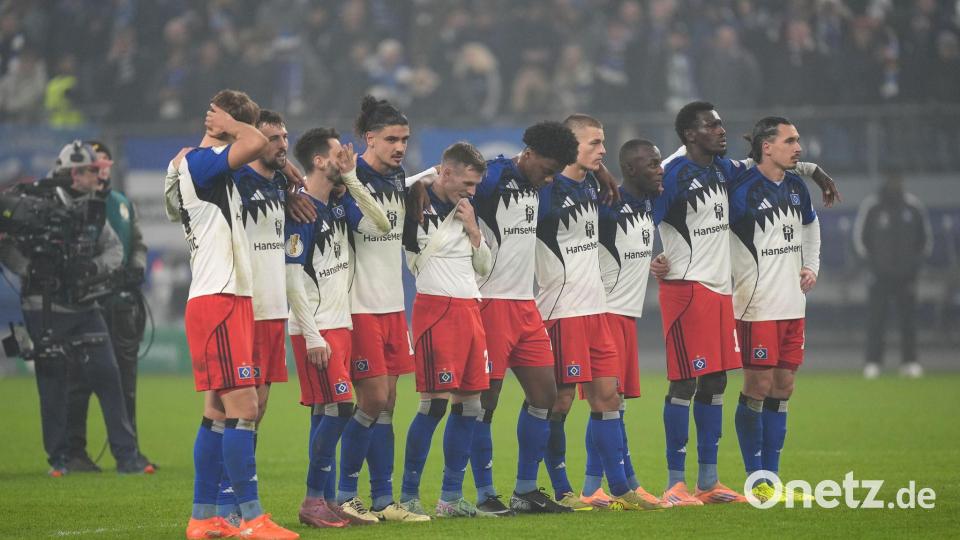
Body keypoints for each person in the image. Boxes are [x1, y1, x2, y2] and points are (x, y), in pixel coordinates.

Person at [656, 101, 837, 506]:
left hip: (723, 291)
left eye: (721, 124)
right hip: (695, 290)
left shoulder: (726, 170)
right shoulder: (676, 173)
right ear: (690, 134)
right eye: (712, 125)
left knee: (717, 382)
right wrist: (655, 258)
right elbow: (643, 204)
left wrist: (815, 171)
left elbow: (769, 168)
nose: (722, 130)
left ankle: (710, 482)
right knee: (686, 382)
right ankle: (675, 485)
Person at [399, 121, 579, 516]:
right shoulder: (494, 177)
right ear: (528, 154)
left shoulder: (542, 185)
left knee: (545, 396)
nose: (550, 177)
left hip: (525, 303)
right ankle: (483, 493)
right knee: (483, 401)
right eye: (547, 168)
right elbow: (443, 181)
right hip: (488, 301)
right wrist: (422, 182)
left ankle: (525, 490)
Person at [169, 89, 297, 540]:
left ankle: (204, 518)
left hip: (232, 297)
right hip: (218, 297)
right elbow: (256, 144)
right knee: (244, 408)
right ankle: (252, 519)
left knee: (218, 412)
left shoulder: (218, 169)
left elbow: (264, 155)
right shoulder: (202, 163)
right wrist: (232, 126)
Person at [0, 141, 152, 478]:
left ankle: (127, 458)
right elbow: (6, 245)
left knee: (110, 376)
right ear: (73, 174)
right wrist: (29, 270)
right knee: (53, 384)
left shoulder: (93, 207)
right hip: (43, 306)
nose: (97, 176)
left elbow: (114, 250)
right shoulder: (34, 205)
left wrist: (91, 269)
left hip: (85, 303)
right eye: (90, 171)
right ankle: (60, 459)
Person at [536, 114, 652, 511]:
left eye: (602, 143)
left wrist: (600, 174)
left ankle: (620, 489)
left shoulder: (592, 187)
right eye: (595, 143)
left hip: (598, 309)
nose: (603, 151)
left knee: (609, 398)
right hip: (562, 309)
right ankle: (562, 489)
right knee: (561, 401)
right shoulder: (545, 190)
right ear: (570, 145)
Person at [285, 127, 390, 528]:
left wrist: (351, 180)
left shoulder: (337, 204)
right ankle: (312, 499)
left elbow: (380, 223)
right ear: (318, 161)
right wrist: (312, 334)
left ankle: (327, 500)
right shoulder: (302, 211)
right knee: (342, 406)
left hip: (340, 324)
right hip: (316, 328)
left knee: (325, 410)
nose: (346, 157)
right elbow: (292, 279)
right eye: (337, 153)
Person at [334, 95, 426, 523]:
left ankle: (383, 500)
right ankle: (344, 495)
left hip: (392, 306)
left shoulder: (399, 177)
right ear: (369, 138)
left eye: (404, 139)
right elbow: (368, 222)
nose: (400, 147)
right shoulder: (349, 178)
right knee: (371, 400)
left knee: (388, 402)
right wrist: (349, 178)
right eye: (391, 139)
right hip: (360, 306)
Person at [728, 117, 821, 503]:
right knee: (758, 387)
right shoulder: (742, 190)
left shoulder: (797, 186)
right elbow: (712, 232)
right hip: (757, 304)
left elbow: (811, 226)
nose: (798, 147)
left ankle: (773, 479)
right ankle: (757, 480)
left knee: (784, 387)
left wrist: (811, 265)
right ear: (767, 146)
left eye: (798, 140)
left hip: (792, 304)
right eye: (790, 140)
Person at [400, 142, 494, 517]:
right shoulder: (414, 201)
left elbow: (484, 267)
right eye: (466, 183)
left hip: (471, 309)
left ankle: (450, 498)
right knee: (434, 404)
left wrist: (473, 229)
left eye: (475, 185)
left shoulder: (466, 210)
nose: (471, 191)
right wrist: (425, 178)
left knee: (471, 406)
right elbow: (386, 189)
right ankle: (408, 495)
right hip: (435, 310)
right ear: (446, 172)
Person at [212, 110, 293, 524]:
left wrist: (293, 178)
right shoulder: (237, 180)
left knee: (257, 410)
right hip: (247, 306)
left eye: (285, 136)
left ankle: (238, 502)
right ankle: (225, 504)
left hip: (275, 308)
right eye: (273, 138)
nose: (282, 144)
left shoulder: (279, 183)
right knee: (236, 411)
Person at [590, 139, 671, 509]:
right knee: (606, 401)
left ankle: (597, 487)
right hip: (603, 313)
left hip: (626, 315)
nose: (660, 169)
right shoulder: (606, 205)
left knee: (613, 403)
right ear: (631, 170)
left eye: (659, 162)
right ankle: (617, 485)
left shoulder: (649, 203)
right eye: (652, 164)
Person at [63, 140, 153, 473]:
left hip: (121, 304)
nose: (99, 170)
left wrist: (136, 267)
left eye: (103, 164)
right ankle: (75, 451)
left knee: (126, 382)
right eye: (93, 165)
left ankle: (129, 451)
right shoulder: (73, 204)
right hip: (86, 303)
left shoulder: (122, 204)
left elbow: (138, 243)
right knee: (79, 381)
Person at [853, 171, 933, 379]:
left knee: (908, 321)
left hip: (906, 277)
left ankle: (910, 362)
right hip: (879, 276)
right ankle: (873, 362)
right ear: (886, 181)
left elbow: (925, 241)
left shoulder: (913, 207)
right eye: (892, 179)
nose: (896, 183)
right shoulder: (873, 207)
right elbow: (860, 241)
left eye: (898, 179)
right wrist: (871, 267)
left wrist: (914, 268)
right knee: (876, 320)